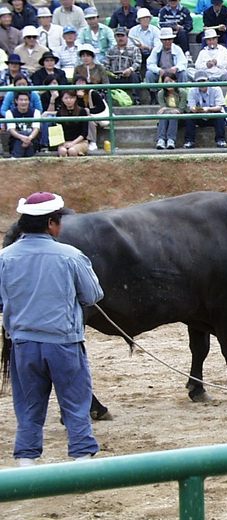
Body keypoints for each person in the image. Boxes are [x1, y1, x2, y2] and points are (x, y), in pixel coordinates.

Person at [0, 191, 103, 467]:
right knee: (75, 402)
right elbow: (92, 296)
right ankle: (81, 456)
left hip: (23, 343)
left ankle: (27, 460)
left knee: (29, 406)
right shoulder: (71, 256)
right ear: (51, 224)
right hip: (64, 342)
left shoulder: (5, 257)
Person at [184, 69, 227, 149]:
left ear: (208, 80)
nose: (202, 83)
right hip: (199, 115)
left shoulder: (216, 89)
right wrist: (198, 109)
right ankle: (189, 141)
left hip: (213, 114)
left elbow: (219, 107)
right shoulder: (192, 90)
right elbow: (191, 107)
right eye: (199, 81)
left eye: (203, 80)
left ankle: (220, 140)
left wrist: (208, 109)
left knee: (220, 116)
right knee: (189, 117)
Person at [105, 26, 141, 104]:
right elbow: (106, 64)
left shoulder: (134, 49)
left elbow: (138, 62)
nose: (120, 38)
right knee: (105, 77)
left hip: (128, 76)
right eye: (118, 36)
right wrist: (109, 72)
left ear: (127, 37)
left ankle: (136, 99)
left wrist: (130, 69)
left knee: (134, 75)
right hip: (114, 76)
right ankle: (106, 99)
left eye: (122, 36)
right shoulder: (110, 50)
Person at [155, 70, 186, 149]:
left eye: (171, 81)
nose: (169, 84)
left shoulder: (182, 92)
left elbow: (181, 109)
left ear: (175, 81)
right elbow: (162, 108)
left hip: (180, 117)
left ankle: (171, 140)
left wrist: (167, 110)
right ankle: (161, 140)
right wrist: (169, 110)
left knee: (172, 114)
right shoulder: (161, 93)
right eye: (166, 82)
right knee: (164, 115)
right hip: (167, 116)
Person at [4, 90, 40, 157]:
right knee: (22, 135)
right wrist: (22, 138)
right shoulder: (9, 113)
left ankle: (16, 159)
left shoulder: (36, 112)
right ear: (16, 101)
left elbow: (36, 129)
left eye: (26, 100)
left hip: (31, 139)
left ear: (29, 101)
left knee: (28, 133)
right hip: (16, 140)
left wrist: (29, 138)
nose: (23, 102)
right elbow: (11, 130)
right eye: (21, 100)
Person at [56, 89, 89, 156]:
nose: (69, 100)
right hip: (64, 142)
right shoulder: (59, 113)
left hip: (80, 142)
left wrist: (73, 143)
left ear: (75, 98)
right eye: (66, 98)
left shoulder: (82, 111)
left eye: (71, 98)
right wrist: (62, 143)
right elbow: (57, 131)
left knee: (72, 151)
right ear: (62, 99)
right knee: (62, 151)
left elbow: (84, 133)